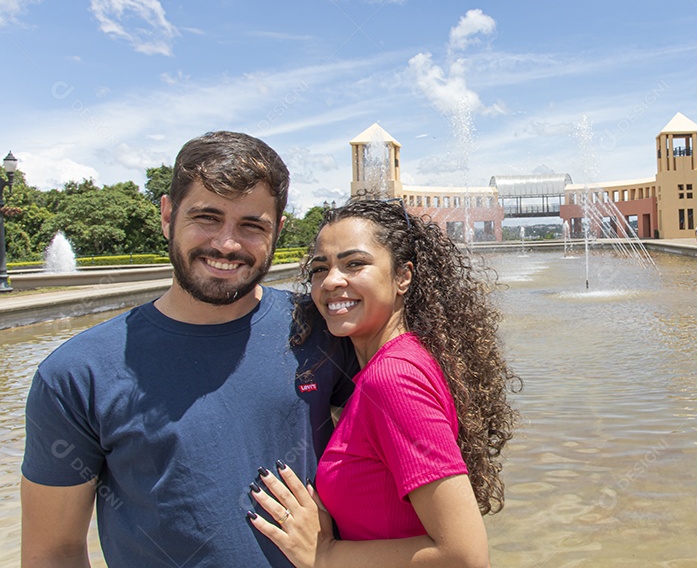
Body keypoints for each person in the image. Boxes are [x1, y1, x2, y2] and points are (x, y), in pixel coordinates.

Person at [21, 131, 356, 568]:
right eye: (207, 217)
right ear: (167, 215)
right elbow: (54, 551)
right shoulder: (77, 374)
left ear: (278, 229)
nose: (227, 244)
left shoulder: (323, 329)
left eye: (251, 225)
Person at [246, 198, 518, 568]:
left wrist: (324, 554)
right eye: (320, 268)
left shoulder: (392, 379)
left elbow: (464, 556)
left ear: (403, 276)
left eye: (354, 264)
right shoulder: (400, 362)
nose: (332, 281)